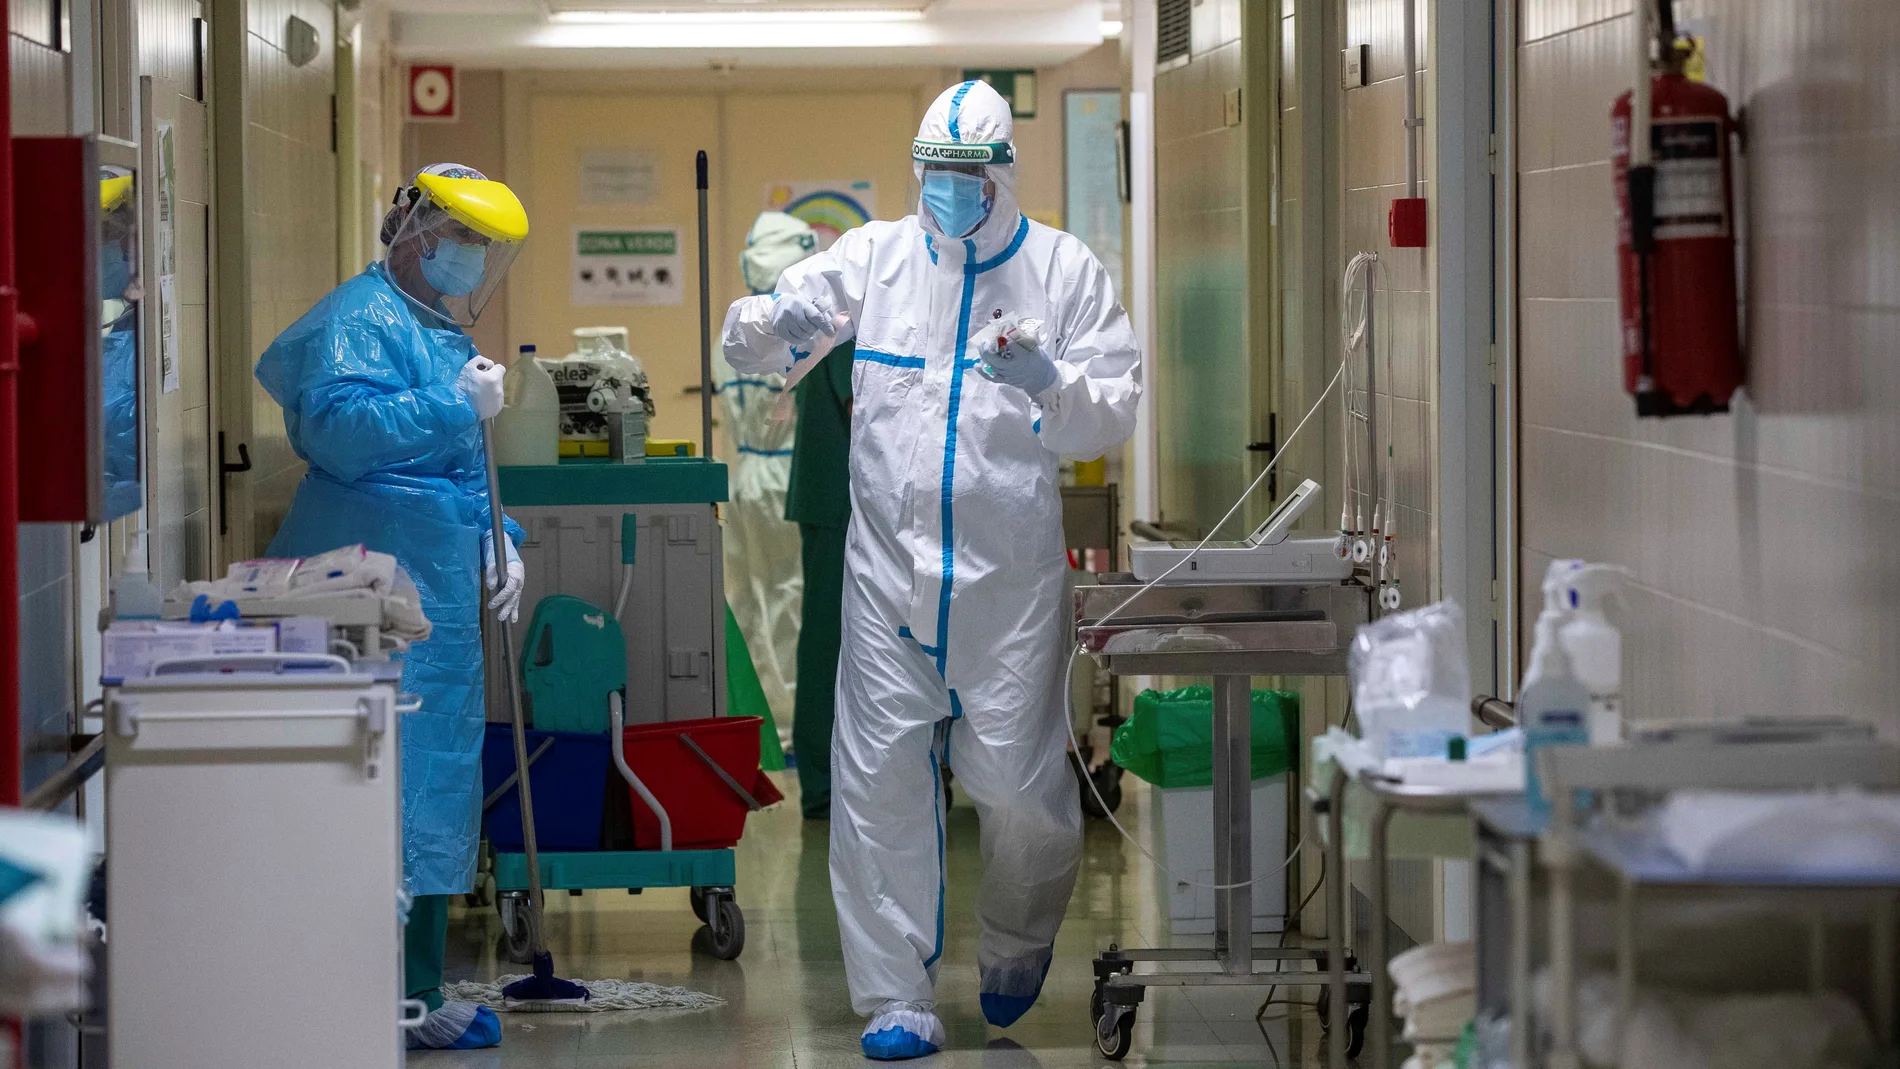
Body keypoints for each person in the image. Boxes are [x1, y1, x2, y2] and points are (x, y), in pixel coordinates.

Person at [722, 80, 1142, 1059]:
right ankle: (892, 996)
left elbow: (1112, 404)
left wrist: (1047, 380)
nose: (947, 191)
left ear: (1001, 174)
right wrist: (762, 326)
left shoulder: (1061, 270)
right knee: (877, 789)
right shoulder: (875, 259)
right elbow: (784, 321)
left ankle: (1016, 936)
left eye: (965, 174)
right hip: (885, 576)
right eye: (932, 173)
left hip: (1009, 584)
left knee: (1021, 789)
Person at [255, 163, 529, 1051]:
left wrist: (500, 536)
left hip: (437, 581)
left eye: (481, 246)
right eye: (458, 237)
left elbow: (460, 464)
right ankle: (350, 984)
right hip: (357, 577)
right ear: (411, 231)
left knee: (436, 781)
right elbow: (340, 434)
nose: (470, 258)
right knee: (366, 781)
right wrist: (450, 402)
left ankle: (416, 987)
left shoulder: (440, 332)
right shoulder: (357, 319)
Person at [718, 212, 817, 748]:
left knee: (750, 598)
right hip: (784, 476)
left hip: (745, 476)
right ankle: (787, 728)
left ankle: (758, 723)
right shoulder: (793, 329)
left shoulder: (737, 326)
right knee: (787, 599)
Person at [775, 217, 855, 820]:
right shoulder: (849, 328)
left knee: (827, 637)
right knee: (832, 640)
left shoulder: (835, 321)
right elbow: (870, 412)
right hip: (841, 502)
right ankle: (826, 783)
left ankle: (828, 780)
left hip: (833, 498)